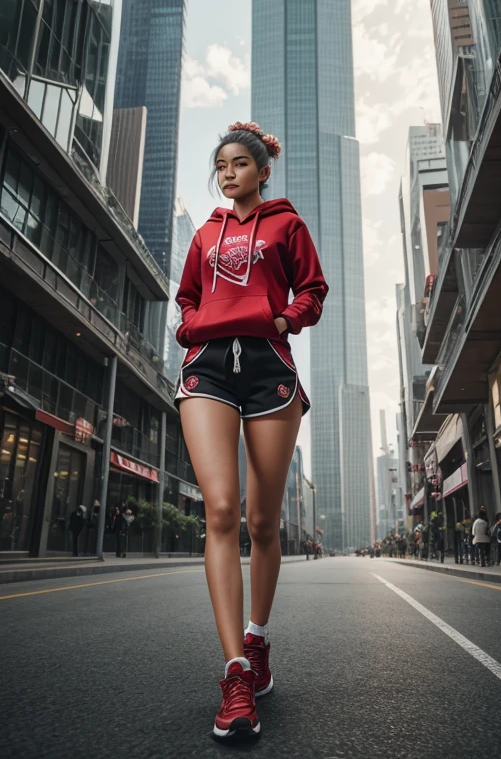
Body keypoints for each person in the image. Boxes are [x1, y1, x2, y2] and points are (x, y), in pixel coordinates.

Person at [174, 121, 328, 741]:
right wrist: (190, 327)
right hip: (207, 366)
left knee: (264, 523)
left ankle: (257, 639)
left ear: (263, 171)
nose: (227, 173)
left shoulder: (287, 225)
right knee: (221, 510)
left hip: (269, 370)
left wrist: (284, 319)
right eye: (220, 166)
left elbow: (313, 288)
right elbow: (186, 295)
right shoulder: (206, 232)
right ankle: (235, 674)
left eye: (239, 164)